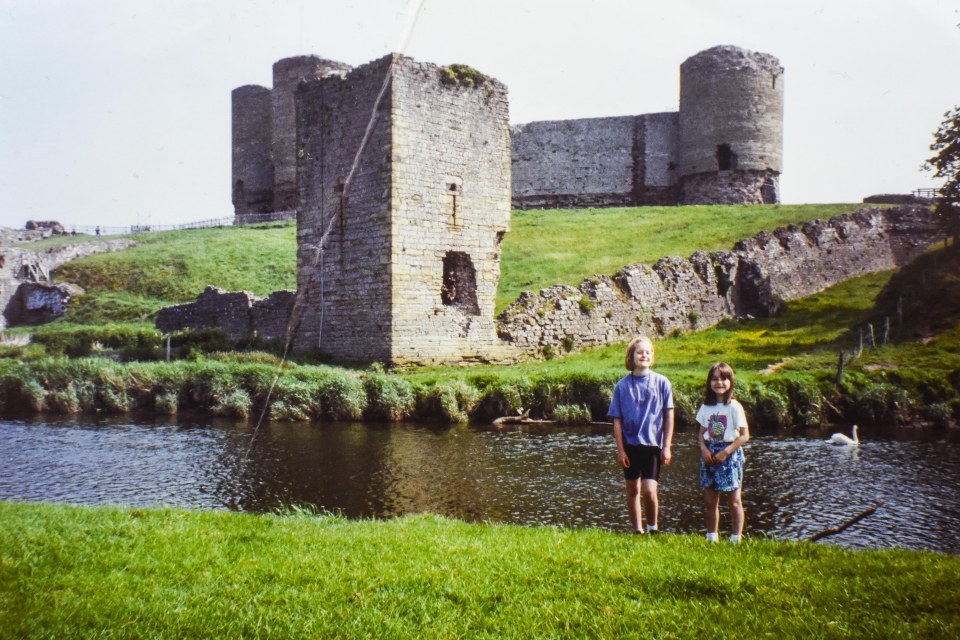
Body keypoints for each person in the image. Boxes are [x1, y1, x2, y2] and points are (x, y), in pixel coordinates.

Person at [607, 336, 675, 534]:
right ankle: (637, 530)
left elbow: (668, 414)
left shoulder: (662, 383)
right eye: (639, 352)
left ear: (652, 356)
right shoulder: (621, 386)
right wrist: (620, 450)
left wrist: (667, 446)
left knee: (648, 490)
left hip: (653, 446)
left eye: (647, 352)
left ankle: (653, 527)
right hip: (630, 446)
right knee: (632, 490)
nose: (644, 355)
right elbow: (617, 421)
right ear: (631, 356)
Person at [696, 362, 750, 543]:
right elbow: (701, 434)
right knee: (710, 500)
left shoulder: (734, 407)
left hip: (729, 453)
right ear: (709, 382)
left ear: (730, 382)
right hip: (710, 454)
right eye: (715, 379)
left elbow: (744, 436)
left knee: (734, 500)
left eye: (723, 379)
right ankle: (712, 537)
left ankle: (736, 538)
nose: (719, 383)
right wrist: (704, 450)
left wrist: (726, 452)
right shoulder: (706, 407)